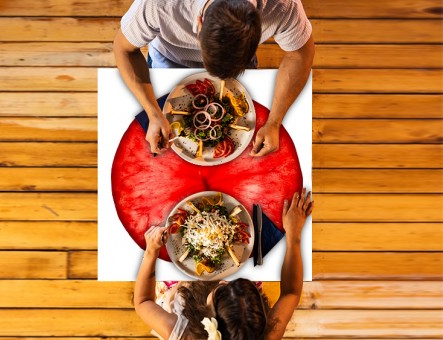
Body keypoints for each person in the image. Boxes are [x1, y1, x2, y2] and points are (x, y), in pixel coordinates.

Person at [114, 0, 314, 156]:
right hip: (168, 60)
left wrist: (274, 123)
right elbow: (123, 49)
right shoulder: (157, 5)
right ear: (199, 22)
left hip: (242, 68)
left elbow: (300, 54)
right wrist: (153, 113)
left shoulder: (283, 6)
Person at [134, 188, 313, 339]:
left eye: (222, 289)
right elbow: (291, 293)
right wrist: (294, 235)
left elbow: (142, 302)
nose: (224, 281)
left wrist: (151, 252)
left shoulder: (185, 334)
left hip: (182, 292)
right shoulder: (265, 334)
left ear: (209, 318)